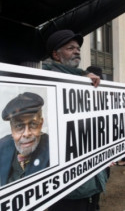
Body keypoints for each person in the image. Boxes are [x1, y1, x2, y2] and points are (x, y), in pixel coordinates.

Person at [42, 29, 106, 211]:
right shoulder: (43, 78)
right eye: (70, 48)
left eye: (78, 48)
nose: (77, 51)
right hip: (69, 188)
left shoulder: (86, 79)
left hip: (93, 179)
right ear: (56, 54)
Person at [0, 92, 49, 186]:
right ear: (11, 129)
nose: (26, 133)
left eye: (33, 124)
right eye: (19, 126)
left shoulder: (54, 148)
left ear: (41, 124)